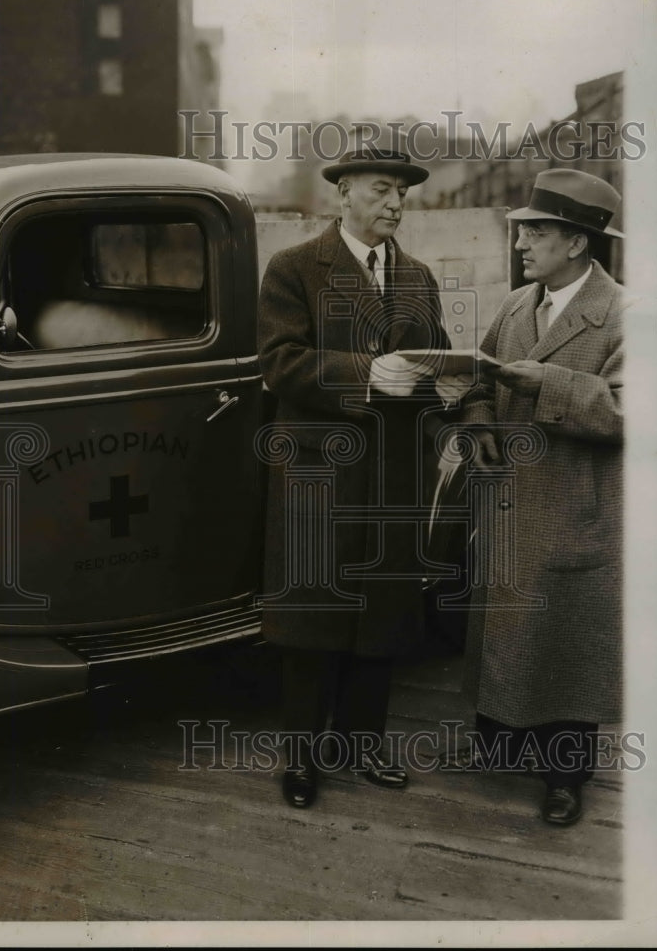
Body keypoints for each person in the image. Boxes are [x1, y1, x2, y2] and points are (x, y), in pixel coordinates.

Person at [258, 146, 462, 808]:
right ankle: (300, 759)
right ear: (343, 192)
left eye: (402, 193)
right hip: (319, 475)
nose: (395, 203)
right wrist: (367, 374)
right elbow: (279, 362)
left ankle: (361, 745)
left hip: (395, 476)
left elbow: (435, 360)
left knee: (384, 614)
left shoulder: (418, 277)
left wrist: (450, 393)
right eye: (380, 190)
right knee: (311, 620)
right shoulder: (294, 268)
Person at [451, 168, 624, 826]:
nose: (520, 243)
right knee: (512, 630)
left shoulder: (625, 313)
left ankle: (565, 778)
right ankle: (504, 743)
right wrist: (476, 425)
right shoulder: (517, 304)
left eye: (536, 232)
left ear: (576, 243)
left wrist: (545, 383)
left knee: (568, 641)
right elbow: (476, 382)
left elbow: (630, 413)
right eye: (521, 232)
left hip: (575, 510)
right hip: (509, 505)